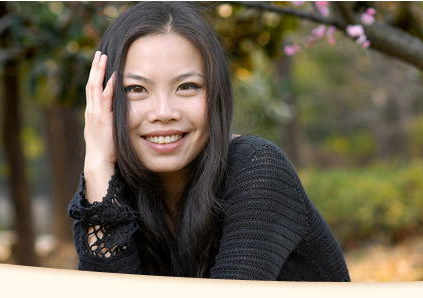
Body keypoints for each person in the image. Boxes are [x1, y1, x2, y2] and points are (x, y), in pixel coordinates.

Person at [67, 2, 350, 281]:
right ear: (103, 100)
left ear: (215, 94)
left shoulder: (257, 170)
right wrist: (98, 164)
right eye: (137, 89)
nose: (164, 113)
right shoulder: (104, 189)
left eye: (187, 87)